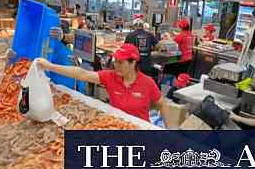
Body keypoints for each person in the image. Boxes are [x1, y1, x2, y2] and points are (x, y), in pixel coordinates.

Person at [36, 43, 170, 123]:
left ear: (133, 62)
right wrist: (50, 66)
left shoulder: (148, 83)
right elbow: (82, 74)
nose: (115, 65)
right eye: (115, 61)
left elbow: (162, 105)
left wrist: (170, 133)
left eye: (120, 62)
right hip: (116, 126)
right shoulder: (111, 77)